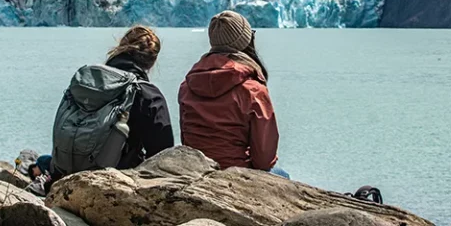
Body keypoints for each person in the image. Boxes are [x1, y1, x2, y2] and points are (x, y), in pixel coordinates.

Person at [48, 26, 174, 184]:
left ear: (120, 49)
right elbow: (163, 156)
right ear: (153, 61)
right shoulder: (148, 95)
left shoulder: (86, 81)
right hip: (115, 181)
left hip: (64, 172)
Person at [179, 11, 287, 177]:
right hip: (237, 173)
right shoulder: (252, 90)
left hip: (197, 170)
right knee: (283, 176)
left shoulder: (187, 86)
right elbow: (263, 160)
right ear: (245, 41)